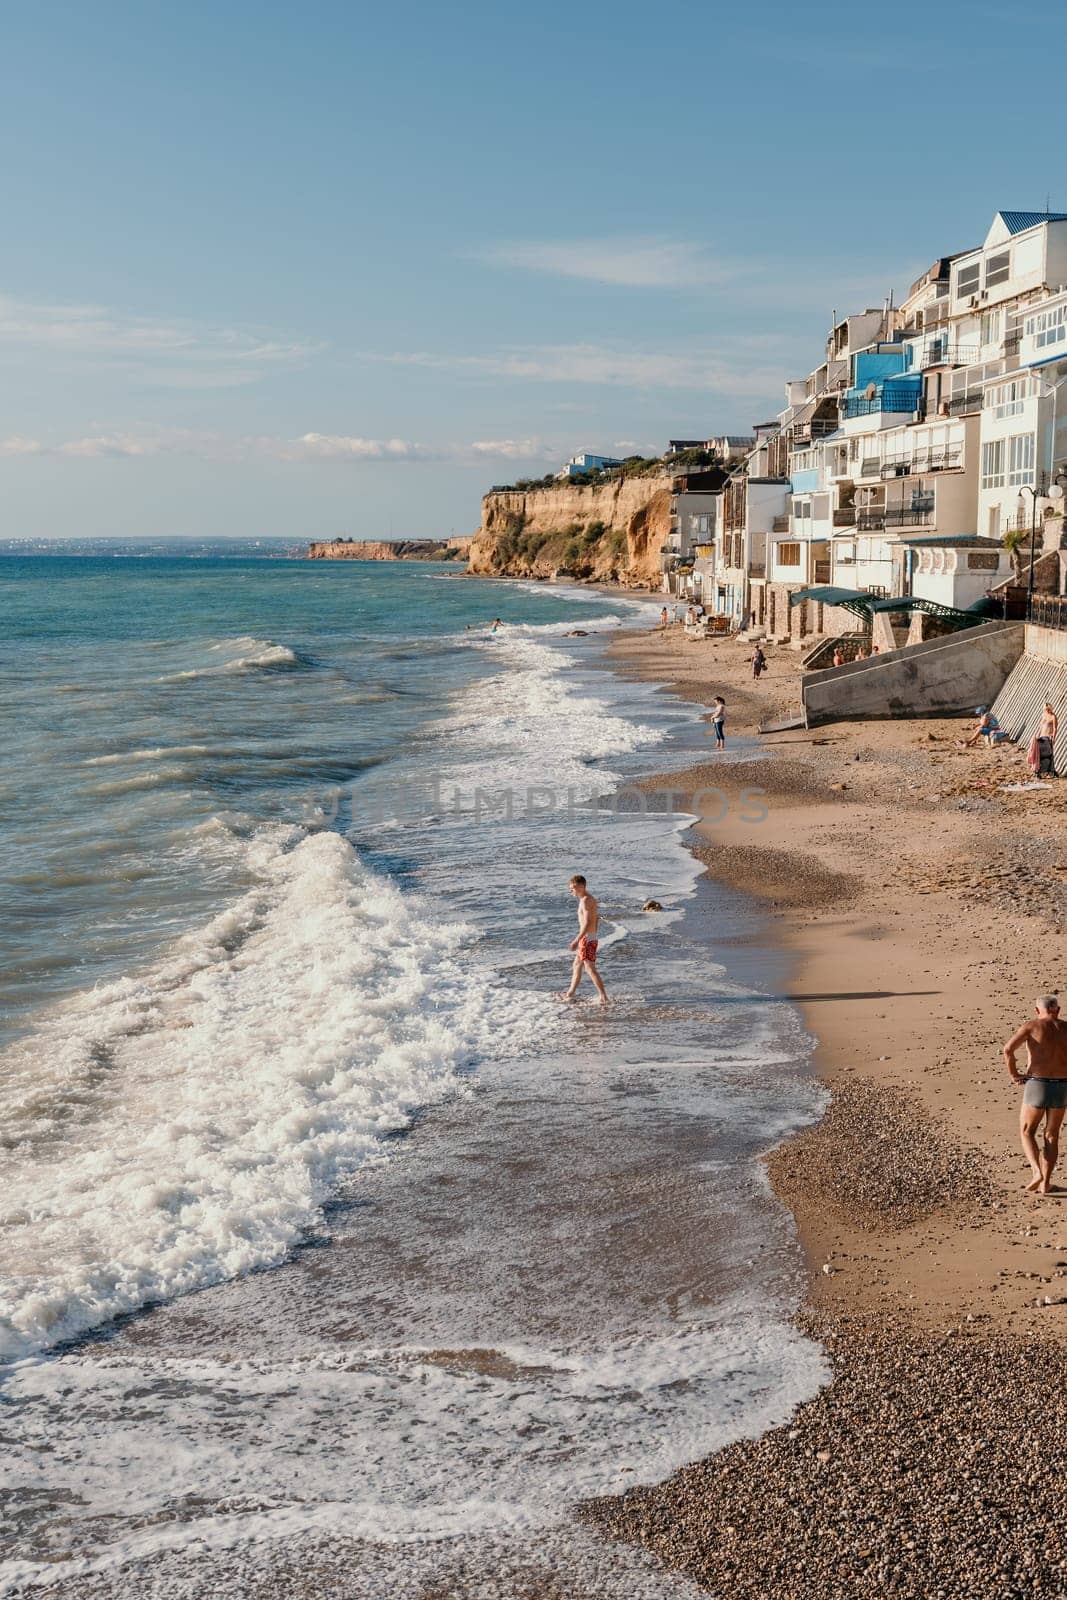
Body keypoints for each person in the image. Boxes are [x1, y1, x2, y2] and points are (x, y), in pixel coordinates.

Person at [1003, 997, 1067, 1193]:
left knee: (1027, 1131)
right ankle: (1046, 1184)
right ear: (1058, 1009)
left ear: (1037, 1010)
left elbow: (1007, 1049)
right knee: (1052, 1135)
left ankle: (1036, 1172)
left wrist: (1014, 1074)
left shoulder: (1032, 1026)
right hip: (1062, 1085)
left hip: (1038, 1083)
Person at [558, 874, 608, 1005]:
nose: (572, 891)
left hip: (586, 938)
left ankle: (603, 997)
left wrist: (577, 940)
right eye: (570, 888)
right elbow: (596, 919)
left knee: (590, 968)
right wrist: (593, 936)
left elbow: (587, 923)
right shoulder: (589, 899)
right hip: (590, 937)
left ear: (582, 886)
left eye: (573, 888)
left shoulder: (586, 900)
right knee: (577, 965)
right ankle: (569, 994)